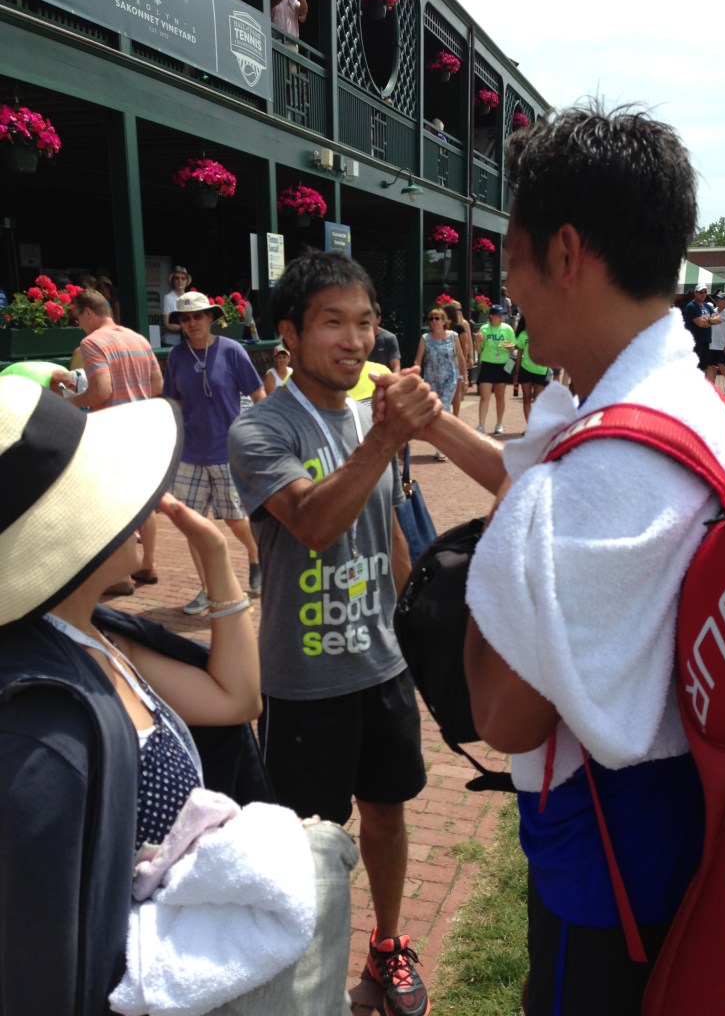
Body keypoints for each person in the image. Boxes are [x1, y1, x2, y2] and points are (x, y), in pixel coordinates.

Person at [400, 102, 725, 1015]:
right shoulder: (681, 401)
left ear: (563, 253)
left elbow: (505, 718)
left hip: (608, 867)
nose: (505, 287)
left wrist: (493, 570)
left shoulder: (601, 473)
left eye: (507, 259)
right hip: (674, 824)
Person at [0, 373, 263, 1015]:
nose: (141, 510)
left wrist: (218, 563)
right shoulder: (39, 718)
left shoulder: (90, 634)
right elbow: (44, 960)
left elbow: (236, 700)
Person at [228, 251, 439, 1016]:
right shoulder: (259, 429)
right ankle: (309, 980)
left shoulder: (366, 414)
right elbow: (314, 523)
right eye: (333, 323)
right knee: (309, 846)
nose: (355, 341)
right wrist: (384, 436)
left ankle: (387, 949)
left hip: (379, 667)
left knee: (387, 812)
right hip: (302, 680)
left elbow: (385, 525)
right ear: (289, 331)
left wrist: (407, 618)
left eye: (366, 322)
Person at [162, 291, 265, 612]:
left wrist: (265, 438)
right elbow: (173, 401)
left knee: (235, 519)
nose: (191, 323)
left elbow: (258, 394)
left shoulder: (232, 351)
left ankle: (256, 554)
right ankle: (208, 589)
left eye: (198, 316)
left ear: (210, 318)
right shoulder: (177, 356)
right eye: (185, 318)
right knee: (193, 525)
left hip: (226, 450)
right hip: (190, 454)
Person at [62, 287, 164, 594]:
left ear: (89, 312)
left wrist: (70, 403)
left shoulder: (92, 343)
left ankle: (121, 577)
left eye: (77, 316)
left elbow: (101, 391)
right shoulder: (139, 339)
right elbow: (157, 384)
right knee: (144, 504)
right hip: (143, 427)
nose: (78, 323)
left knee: (114, 506)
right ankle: (148, 565)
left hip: (114, 431)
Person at [413, 306, 467, 459]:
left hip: (450, 378)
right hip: (432, 379)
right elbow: (418, 360)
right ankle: (444, 442)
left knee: (443, 408)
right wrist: (415, 376)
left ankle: (444, 447)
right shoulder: (425, 339)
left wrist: (464, 378)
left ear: (444, 321)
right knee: (436, 412)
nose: (434, 321)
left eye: (437, 318)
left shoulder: (453, 336)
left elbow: (460, 358)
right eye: (431, 319)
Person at [475, 303, 516, 434]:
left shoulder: (508, 329)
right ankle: (481, 425)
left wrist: (507, 346)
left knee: (500, 396)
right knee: (484, 396)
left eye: (502, 314)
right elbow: (480, 350)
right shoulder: (484, 329)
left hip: (502, 364)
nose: (501, 317)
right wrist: (477, 341)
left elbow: (513, 350)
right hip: (487, 364)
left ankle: (499, 423)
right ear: (492, 316)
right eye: (498, 314)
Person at [511, 314, 548, 422]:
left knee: (538, 401)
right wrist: (516, 372)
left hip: (541, 370)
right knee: (526, 399)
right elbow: (518, 355)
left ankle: (537, 425)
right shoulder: (522, 335)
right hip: (525, 369)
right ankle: (530, 427)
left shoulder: (544, 334)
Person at [683, 283, 720, 372]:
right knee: (695, 368)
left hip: (705, 341)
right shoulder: (691, 306)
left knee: (703, 367)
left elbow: (718, 319)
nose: (703, 294)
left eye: (705, 292)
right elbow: (700, 324)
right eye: (700, 292)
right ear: (695, 293)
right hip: (695, 341)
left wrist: (707, 320)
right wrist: (711, 320)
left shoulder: (707, 306)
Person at [443, 300, 473, 408]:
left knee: (456, 395)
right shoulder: (441, 327)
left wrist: (465, 362)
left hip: (456, 362)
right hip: (444, 363)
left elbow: (466, 344)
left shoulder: (460, 327)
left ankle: (455, 417)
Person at [708, 291, 725, 394]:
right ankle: (712, 389)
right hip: (711, 344)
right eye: (717, 299)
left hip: (723, 344)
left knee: (721, 366)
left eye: (720, 299)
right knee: (710, 367)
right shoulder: (713, 311)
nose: (717, 301)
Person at [162, 266, 193, 347]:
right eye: (177, 278)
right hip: (171, 343)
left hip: (187, 342)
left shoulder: (189, 298)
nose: (180, 280)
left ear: (187, 281)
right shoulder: (168, 298)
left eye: (183, 278)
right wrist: (186, 329)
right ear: (173, 280)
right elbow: (166, 324)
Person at [368, 303, 401, 372]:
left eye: (371, 318)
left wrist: (394, 380)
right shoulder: (357, 339)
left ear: (378, 319)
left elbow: (396, 366)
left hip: (384, 380)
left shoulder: (389, 338)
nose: (368, 322)